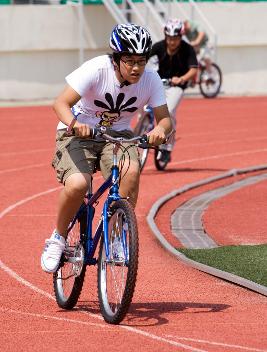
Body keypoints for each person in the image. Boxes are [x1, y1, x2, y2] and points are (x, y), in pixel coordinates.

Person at [41, 23, 172, 273]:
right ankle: (58, 237)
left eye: (141, 61)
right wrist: (75, 123)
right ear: (116, 59)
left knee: (131, 173)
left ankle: (115, 237)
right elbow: (60, 104)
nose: (136, 67)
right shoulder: (96, 69)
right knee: (79, 184)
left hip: (119, 135)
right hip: (78, 131)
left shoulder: (151, 78)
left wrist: (160, 131)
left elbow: (165, 119)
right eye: (129, 60)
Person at [149, 18, 198, 163]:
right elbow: (143, 59)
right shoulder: (158, 47)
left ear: (180, 37)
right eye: (169, 38)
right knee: (140, 107)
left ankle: (167, 149)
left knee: (168, 111)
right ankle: (142, 127)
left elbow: (194, 69)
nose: (172, 42)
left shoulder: (187, 49)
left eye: (175, 39)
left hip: (176, 86)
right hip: (158, 84)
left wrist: (182, 78)